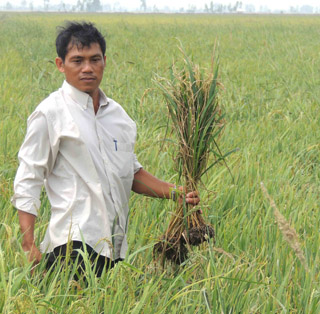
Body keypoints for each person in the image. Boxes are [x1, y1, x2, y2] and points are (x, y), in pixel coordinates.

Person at [11, 21, 199, 277]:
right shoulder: (50, 113)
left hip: (113, 248)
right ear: (60, 65)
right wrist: (28, 244)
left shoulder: (119, 117)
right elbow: (28, 178)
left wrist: (178, 193)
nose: (87, 68)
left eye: (94, 59)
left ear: (104, 61)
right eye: (77, 60)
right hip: (72, 244)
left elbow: (130, 173)